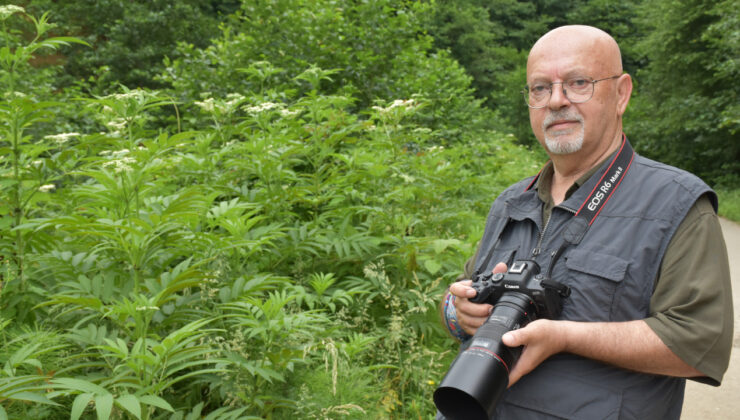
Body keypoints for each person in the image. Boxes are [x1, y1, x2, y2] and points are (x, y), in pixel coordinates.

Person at [438, 25, 733, 419]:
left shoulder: (676, 203)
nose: (556, 101)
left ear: (621, 93)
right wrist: (457, 311)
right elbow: (462, 294)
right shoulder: (511, 201)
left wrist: (565, 337)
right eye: (540, 88)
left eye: (578, 83)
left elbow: (700, 345)